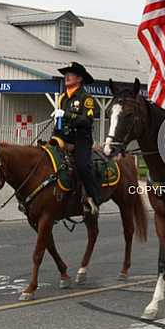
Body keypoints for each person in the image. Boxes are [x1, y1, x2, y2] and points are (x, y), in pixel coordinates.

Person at [53, 61, 102, 215]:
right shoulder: (62, 98)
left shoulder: (86, 98)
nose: (66, 76)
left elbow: (87, 121)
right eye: (66, 74)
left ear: (79, 78)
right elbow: (60, 122)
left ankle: (94, 198)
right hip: (63, 137)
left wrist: (66, 114)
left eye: (70, 74)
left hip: (81, 139)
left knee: (82, 166)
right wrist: (54, 135)